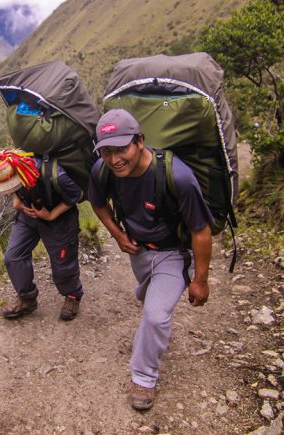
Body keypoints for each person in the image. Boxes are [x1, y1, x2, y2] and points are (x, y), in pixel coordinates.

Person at [87, 109, 213, 411]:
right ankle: (149, 294)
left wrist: (200, 280)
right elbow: (97, 202)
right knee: (146, 295)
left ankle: (144, 377)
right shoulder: (102, 170)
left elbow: (201, 230)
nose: (115, 158)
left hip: (174, 253)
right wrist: (118, 235)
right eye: (106, 151)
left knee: (156, 316)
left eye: (121, 149)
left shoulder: (177, 176)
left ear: (140, 141)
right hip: (139, 252)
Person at [0, 149, 84, 321]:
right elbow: (12, 185)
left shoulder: (55, 175)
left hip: (59, 220)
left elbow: (77, 194)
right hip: (28, 215)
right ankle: (27, 298)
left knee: (62, 263)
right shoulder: (11, 166)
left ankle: (72, 295)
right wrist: (17, 200)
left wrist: (51, 215)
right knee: (13, 257)